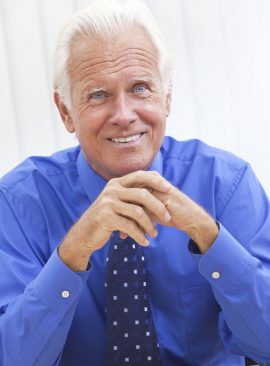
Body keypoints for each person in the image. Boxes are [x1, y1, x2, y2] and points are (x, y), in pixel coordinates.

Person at [0, 1, 270, 365]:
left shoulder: (227, 184)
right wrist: (72, 255)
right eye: (98, 95)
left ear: (167, 97)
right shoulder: (18, 204)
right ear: (66, 111)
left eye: (141, 87)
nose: (124, 115)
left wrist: (208, 235)